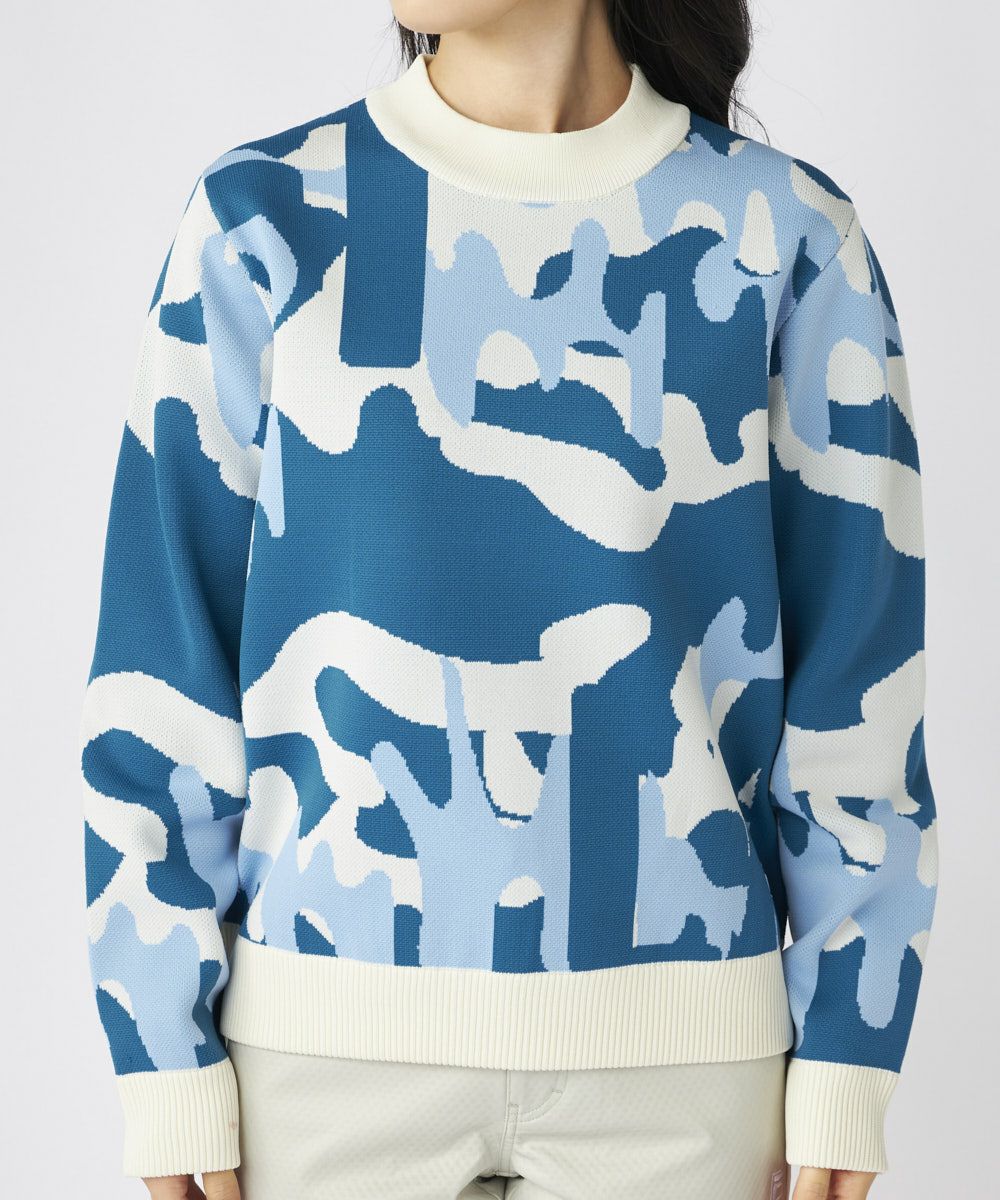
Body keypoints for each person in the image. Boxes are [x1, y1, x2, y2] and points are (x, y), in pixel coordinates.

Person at [76, 1, 939, 1197]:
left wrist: (850, 1051)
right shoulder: (264, 219)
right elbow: (162, 668)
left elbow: (860, 684)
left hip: (681, 1068)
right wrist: (161, 1060)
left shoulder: (785, 237)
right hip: (321, 1063)